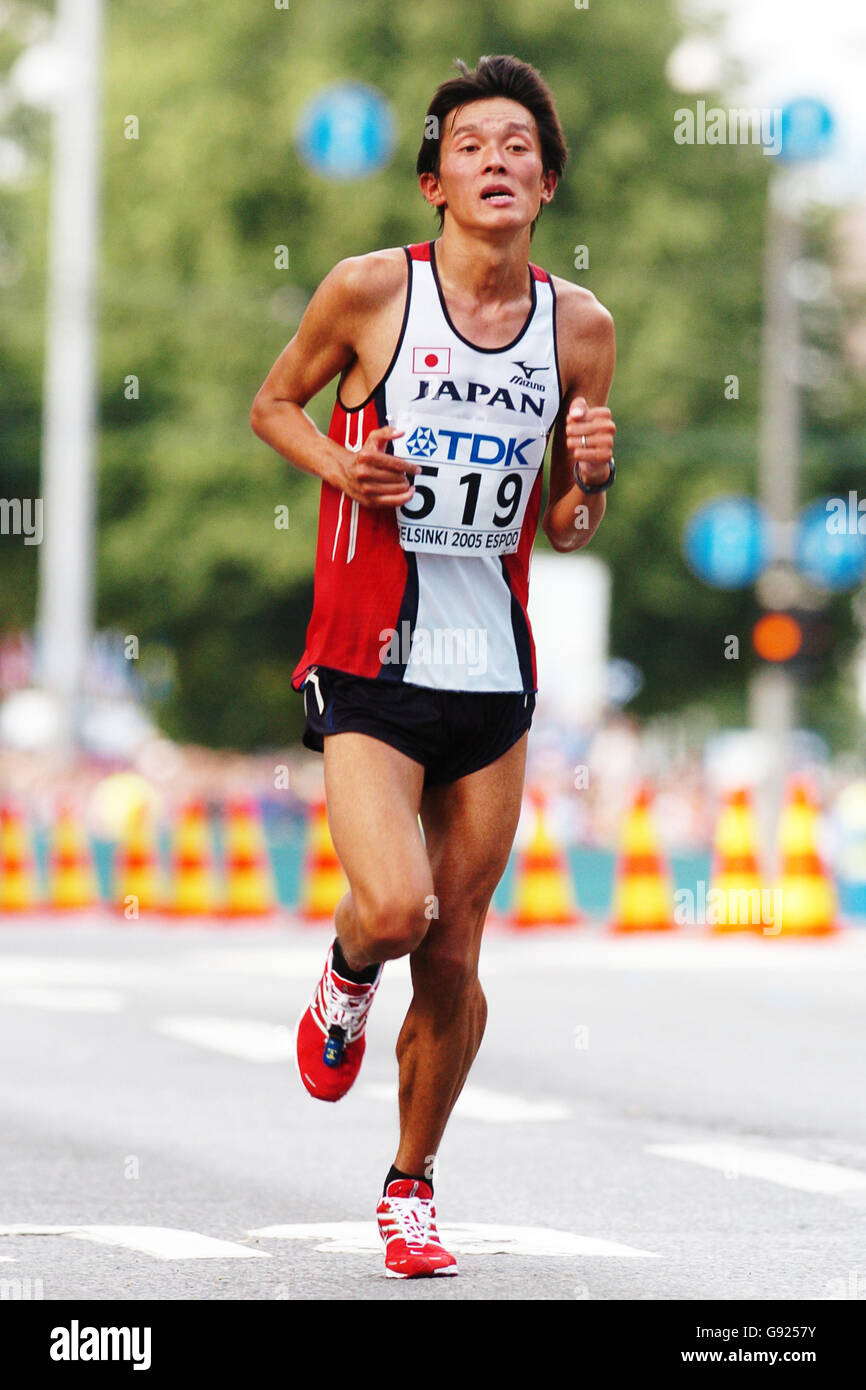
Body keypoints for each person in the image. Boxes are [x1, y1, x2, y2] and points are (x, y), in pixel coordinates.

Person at [250, 53, 616, 1279]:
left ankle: (408, 1184)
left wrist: (592, 478)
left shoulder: (580, 329)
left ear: (548, 183)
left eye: (520, 145)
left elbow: (566, 526)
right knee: (396, 910)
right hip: (367, 664)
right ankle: (347, 972)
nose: (498, 160)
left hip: (491, 678)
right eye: (472, 145)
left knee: (456, 950)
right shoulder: (367, 295)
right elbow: (272, 406)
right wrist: (338, 466)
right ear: (432, 183)